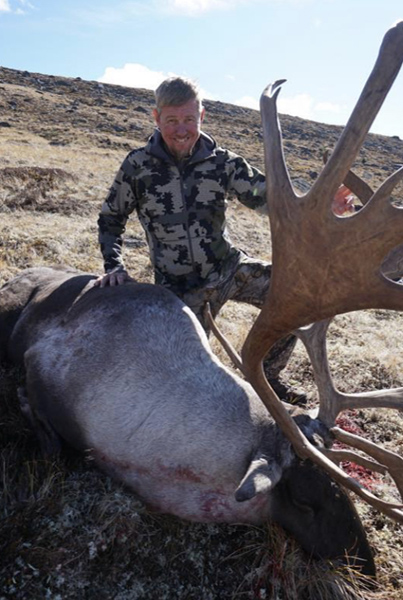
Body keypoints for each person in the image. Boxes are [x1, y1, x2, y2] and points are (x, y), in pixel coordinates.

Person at [96, 76, 353, 402]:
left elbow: (270, 198)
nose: (181, 129)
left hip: (229, 268)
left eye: (189, 119)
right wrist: (114, 265)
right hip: (179, 290)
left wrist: (323, 204)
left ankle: (269, 375)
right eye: (172, 121)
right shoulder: (137, 166)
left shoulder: (223, 162)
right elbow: (111, 218)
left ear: (201, 117)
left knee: (300, 293)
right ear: (156, 117)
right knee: (183, 382)